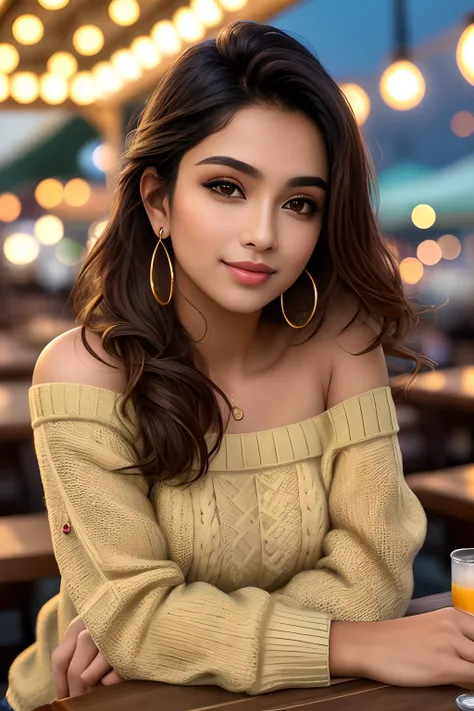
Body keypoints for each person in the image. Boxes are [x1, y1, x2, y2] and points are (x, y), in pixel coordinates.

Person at [5, 20, 473, 711]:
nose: (263, 232)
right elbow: (137, 621)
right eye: (227, 187)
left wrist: (175, 632)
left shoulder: (343, 344)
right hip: (94, 698)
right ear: (158, 200)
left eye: (299, 203)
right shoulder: (81, 372)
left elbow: (375, 578)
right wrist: (346, 641)